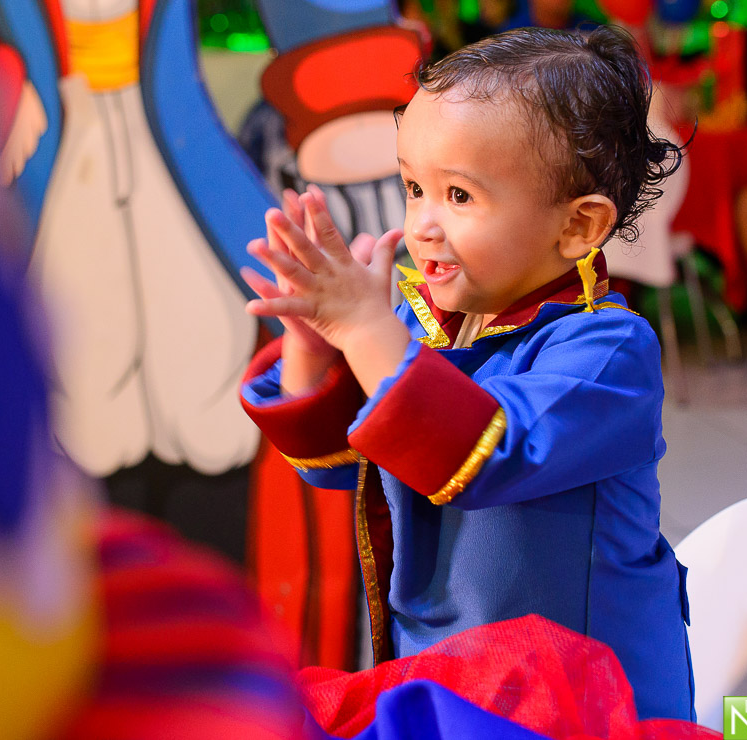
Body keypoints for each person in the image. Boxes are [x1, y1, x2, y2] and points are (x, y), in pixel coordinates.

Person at [239, 25, 695, 721]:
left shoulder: (607, 351)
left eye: (459, 197)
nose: (422, 223)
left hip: (580, 701)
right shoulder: (422, 323)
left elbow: (482, 455)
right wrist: (312, 344)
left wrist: (366, 331)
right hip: (448, 677)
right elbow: (336, 463)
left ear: (577, 227)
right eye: (413, 187)